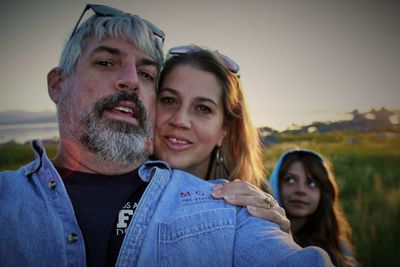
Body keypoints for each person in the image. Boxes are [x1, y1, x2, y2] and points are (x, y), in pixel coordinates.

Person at [0, 4, 333, 266]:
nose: (131, 80)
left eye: (146, 73)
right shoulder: (7, 198)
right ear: (57, 84)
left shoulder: (231, 209)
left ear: (223, 132)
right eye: (105, 63)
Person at [154, 45, 289, 232]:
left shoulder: (252, 196)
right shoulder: (116, 184)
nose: (180, 120)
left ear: (224, 130)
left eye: (203, 108)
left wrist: (279, 235)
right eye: (169, 100)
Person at [269, 149, 357, 267]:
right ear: (276, 184)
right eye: (290, 180)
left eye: (312, 183)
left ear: (323, 193)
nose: (301, 190)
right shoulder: (259, 234)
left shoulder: (337, 249)